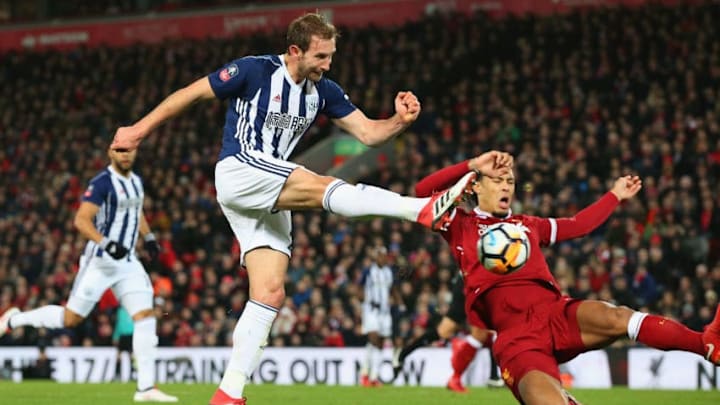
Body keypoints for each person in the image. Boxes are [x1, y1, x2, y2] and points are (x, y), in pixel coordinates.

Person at [110, 13, 502, 405]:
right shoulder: (254, 70)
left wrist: (400, 120)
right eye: (321, 56)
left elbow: (368, 133)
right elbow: (193, 92)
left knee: (269, 292)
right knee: (324, 186)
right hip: (242, 169)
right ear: (295, 50)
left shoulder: (324, 91)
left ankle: (228, 394)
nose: (328, 65)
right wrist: (139, 130)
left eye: (331, 56)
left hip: (271, 190)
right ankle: (422, 209)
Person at [415, 151, 720, 404]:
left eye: (510, 181)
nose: (506, 186)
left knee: (617, 316)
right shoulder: (458, 224)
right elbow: (421, 192)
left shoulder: (529, 225)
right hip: (517, 341)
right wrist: (471, 165)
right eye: (496, 180)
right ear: (476, 187)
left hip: (555, 313)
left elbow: (578, 225)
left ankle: (704, 343)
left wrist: (614, 195)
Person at [0, 147, 177, 402]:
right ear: (111, 153)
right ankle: (13, 320)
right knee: (70, 319)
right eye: (120, 150)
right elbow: (81, 220)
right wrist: (106, 243)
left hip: (128, 262)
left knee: (145, 316)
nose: (126, 155)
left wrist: (148, 237)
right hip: (101, 261)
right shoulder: (102, 183)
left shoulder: (136, 181)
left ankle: (146, 388)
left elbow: (135, 212)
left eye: (130, 150)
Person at [392, 273, 503, 393]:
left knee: (445, 331)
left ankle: (403, 353)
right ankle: (457, 375)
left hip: (473, 282)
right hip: (471, 282)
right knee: (481, 332)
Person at [359, 246, 402, 387]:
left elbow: (393, 289)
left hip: (385, 311)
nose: (384, 259)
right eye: (381, 256)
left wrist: (400, 303)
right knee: (374, 338)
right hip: (371, 310)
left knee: (380, 342)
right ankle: (366, 375)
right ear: (376, 257)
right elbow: (358, 287)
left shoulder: (389, 272)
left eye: (385, 256)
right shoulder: (368, 271)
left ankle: (371, 376)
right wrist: (362, 302)